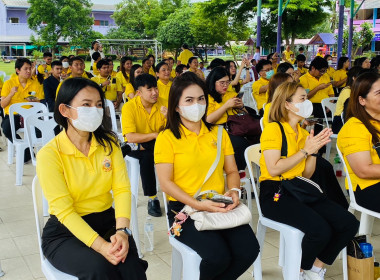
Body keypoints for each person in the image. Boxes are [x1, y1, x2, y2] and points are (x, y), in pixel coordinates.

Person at [36, 77, 148, 279]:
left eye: (98, 105)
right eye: (86, 105)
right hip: (66, 232)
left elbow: (122, 189)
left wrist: (123, 231)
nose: (94, 110)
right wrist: (101, 247)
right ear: (65, 110)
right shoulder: (50, 154)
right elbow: (64, 211)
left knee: (132, 270)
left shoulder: (109, 145)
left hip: (107, 222)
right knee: (100, 269)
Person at [154, 71, 259, 279]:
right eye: (189, 100)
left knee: (249, 250)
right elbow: (166, 183)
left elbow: (231, 171)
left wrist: (235, 190)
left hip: (219, 203)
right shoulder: (166, 138)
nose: (197, 105)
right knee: (218, 257)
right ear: (176, 106)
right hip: (183, 210)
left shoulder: (219, 133)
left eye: (201, 99)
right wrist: (199, 204)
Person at [260, 81, 359, 280]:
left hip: (299, 188)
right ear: (287, 104)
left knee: (348, 223)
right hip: (275, 193)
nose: (307, 103)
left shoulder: (303, 133)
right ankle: (297, 271)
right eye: (302, 98)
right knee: (320, 230)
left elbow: (306, 175)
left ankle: (315, 268)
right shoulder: (274, 130)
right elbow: (274, 168)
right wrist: (305, 150)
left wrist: (314, 151)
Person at [121, 74, 166, 217]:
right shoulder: (129, 107)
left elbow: (174, 130)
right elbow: (131, 136)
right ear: (139, 92)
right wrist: (154, 135)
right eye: (150, 89)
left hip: (157, 144)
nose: (155, 93)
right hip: (145, 144)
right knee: (147, 156)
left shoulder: (164, 104)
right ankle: (153, 198)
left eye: (156, 88)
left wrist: (169, 117)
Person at [337, 72, 380, 213]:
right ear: (362, 100)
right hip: (368, 188)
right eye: (378, 93)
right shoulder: (354, 127)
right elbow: (363, 170)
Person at [206, 67, 253, 171]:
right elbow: (208, 120)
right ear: (213, 82)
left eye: (227, 82)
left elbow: (246, 115)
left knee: (253, 138)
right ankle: (234, 172)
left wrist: (241, 107)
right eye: (222, 83)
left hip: (235, 127)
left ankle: (239, 171)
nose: (226, 86)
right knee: (240, 144)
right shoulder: (207, 97)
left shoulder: (231, 94)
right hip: (217, 129)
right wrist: (226, 106)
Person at [1, 58, 44, 162]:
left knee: (41, 132)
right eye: (26, 69)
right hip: (14, 115)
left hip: (31, 115)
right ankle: (26, 151)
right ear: (18, 70)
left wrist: (34, 102)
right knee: (6, 129)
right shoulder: (9, 83)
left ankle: (39, 155)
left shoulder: (35, 84)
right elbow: (2, 105)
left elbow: (41, 103)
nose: (29, 71)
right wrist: (11, 94)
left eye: (30, 68)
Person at [299, 57, 334, 123]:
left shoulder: (326, 76)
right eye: (321, 71)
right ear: (313, 68)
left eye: (325, 71)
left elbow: (331, 94)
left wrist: (330, 105)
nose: (323, 73)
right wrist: (318, 88)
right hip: (311, 105)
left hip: (325, 105)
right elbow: (306, 97)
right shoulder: (303, 79)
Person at [331, 66, 362, 134]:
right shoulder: (347, 91)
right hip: (341, 122)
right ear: (354, 78)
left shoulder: (355, 90)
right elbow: (347, 113)